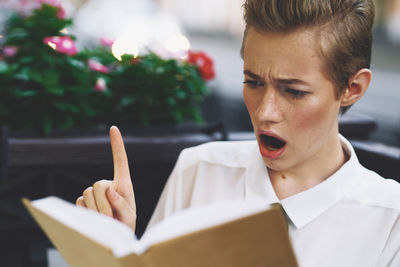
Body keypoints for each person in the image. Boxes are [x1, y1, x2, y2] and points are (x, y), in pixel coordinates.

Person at [76, 0, 400, 266]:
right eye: (254, 83)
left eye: (294, 92)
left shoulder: (391, 220)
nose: (265, 112)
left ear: (352, 88)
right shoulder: (199, 169)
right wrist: (115, 250)